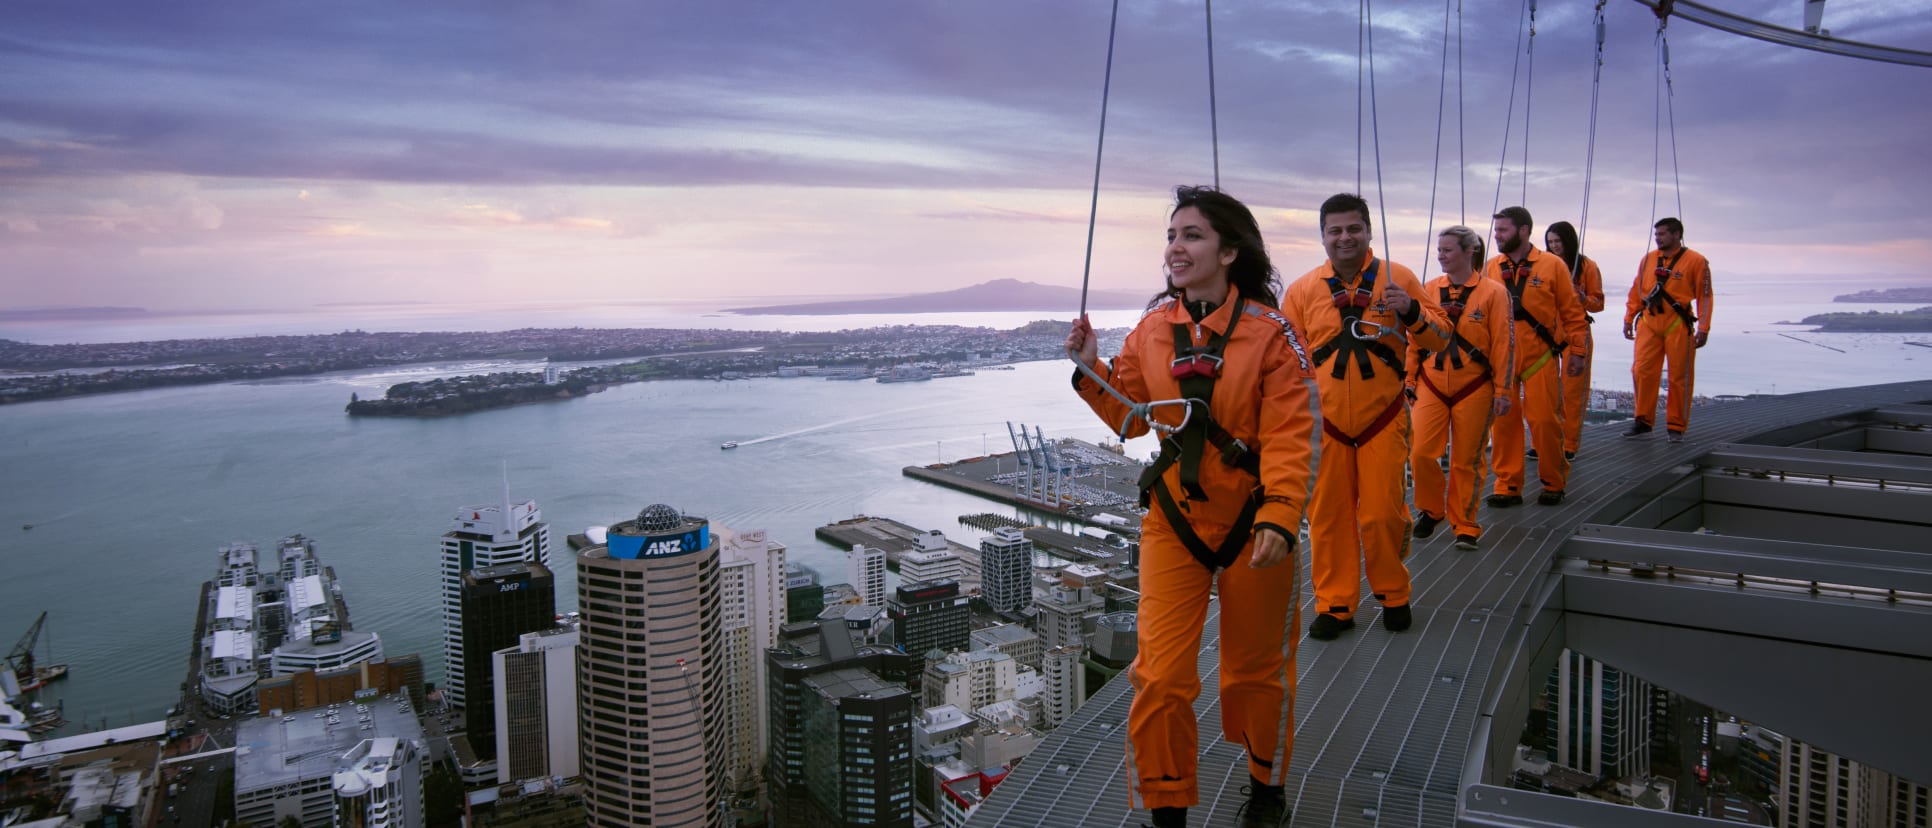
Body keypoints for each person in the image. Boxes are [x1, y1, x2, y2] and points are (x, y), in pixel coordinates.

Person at [1068, 186, 1315, 828]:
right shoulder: (1153, 332)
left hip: (1253, 522)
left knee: (1255, 674)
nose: (1176, 248)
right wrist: (1091, 372)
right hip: (1175, 521)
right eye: (1173, 236)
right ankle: (1166, 802)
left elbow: (1293, 432)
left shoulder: (1271, 335)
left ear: (1230, 251)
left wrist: (1282, 514)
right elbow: (1130, 420)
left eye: (1193, 235)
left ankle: (1265, 788)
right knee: (1159, 676)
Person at [1281, 193, 1450, 641]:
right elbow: (1284, 360)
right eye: (1334, 230)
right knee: (1328, 517)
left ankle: (1393, 593)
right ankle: (1335, 604)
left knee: (1381, 515)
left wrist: (1411, 311)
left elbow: (1440, 340)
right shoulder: (1301, 292)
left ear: (1369, 231)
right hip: (1326, 425)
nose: (1344, 238)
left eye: (1353, 228)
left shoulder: (1400, 280)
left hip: (1383, 416)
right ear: (1322, 236)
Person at [1406, 227, 1513, 550]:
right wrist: (1409, 379)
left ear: (1469, 252)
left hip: (1475, 385)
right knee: (1421, 453)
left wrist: (1503, 391)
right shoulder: (1428, 290)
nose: (1441, 255)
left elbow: (1504, 343)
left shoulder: (1493, 293)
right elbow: (1414, 338)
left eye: (1448, 249)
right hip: (1431, 383)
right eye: (1439, 249)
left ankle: (1464, 524)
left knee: (1466, 460)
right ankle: (1431, 509)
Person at [1484, 206, 1589, 507]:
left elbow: (1572, 313)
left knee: (1544, 422)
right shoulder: (1491, 268)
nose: (1497, 236)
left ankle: (1553, 481)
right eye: (1496, 230)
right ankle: (1507, 485)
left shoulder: (1552, 266)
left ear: (1524, 230)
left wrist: (1578, 352)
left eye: (1503, 230)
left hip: (1539, 356)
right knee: (1503, 425)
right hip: (1502, 360)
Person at [1623, 217, 1713, 442]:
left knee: (1678, 376)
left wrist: (1703, 327)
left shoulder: (1696, 261)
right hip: (1649, 321)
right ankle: (1642, 420)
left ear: (1676, 235)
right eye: (1656, 235)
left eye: (1662, 234)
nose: (1657, 239)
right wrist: (1628, 318)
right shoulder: (1648, 260)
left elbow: (1705, 296)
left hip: (1677, 322)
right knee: (1641, 371)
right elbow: (1636, 291)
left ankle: (1676, 425)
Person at [1545, 221, 1603, 459]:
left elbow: (1598, 304)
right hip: (1547, 332)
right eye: (1550, 242)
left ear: (1568, 241)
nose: (1554, 246)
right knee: (1546, 393)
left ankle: (1569, 443)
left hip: (1576, 331)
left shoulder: (1587, 266)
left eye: (1558, 241)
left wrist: (1581, 298)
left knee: (1572, 391)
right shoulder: (1544, 266)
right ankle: (1545, 442)